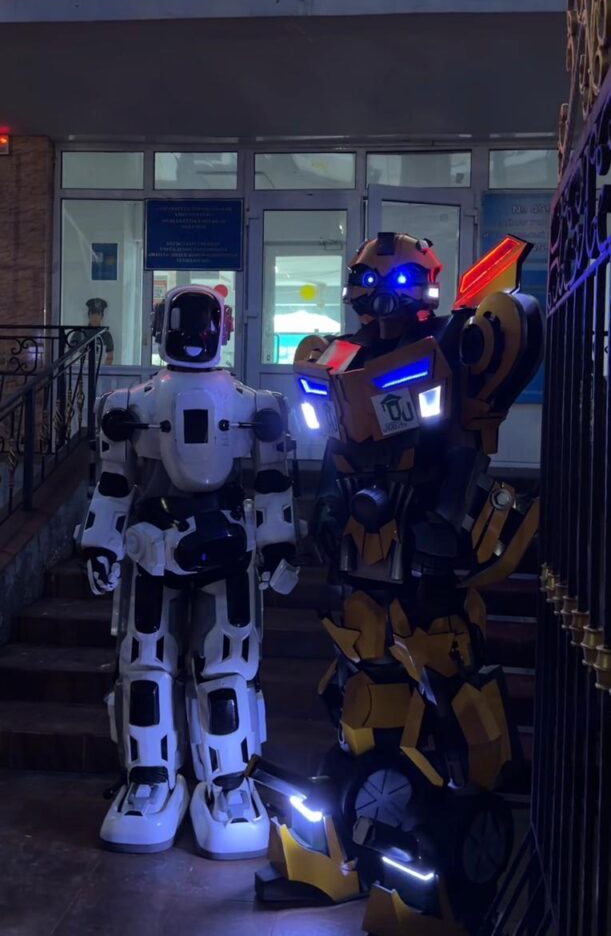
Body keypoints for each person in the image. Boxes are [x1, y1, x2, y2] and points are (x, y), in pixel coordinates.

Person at [251, 232, 543, 935]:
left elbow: (468, 442)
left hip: (427, 537)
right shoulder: (333, 355)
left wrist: (446, 522)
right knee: (361, 677)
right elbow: (334, 448)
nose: (383, 295)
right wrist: (325, 517)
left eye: (400, 281)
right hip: (359, 539)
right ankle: (346, 852)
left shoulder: (461, 343)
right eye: (371, 280)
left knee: (445, 673)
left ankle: (452, 854)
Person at [76, 285, 300, 857]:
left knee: (227, 670)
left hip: (226, 549)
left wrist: (278, 546)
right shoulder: (128, 405)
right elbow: (113, 481)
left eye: (203, 324)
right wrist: (101, 544)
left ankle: (229, 784)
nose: (195, 334)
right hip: (153, 548)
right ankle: (150, 778)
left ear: (221, 328)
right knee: (146, 665)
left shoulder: (258, 406)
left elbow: (273, 483)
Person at [85, 297, 114, 365]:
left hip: (101, 369)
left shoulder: (106, 335)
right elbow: (71, 357)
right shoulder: (80, 333)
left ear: (102, 317)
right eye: (93, 314)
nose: (95, 318)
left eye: (98, 314)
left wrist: (103, 370)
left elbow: (110, 357)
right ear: (89, 315)